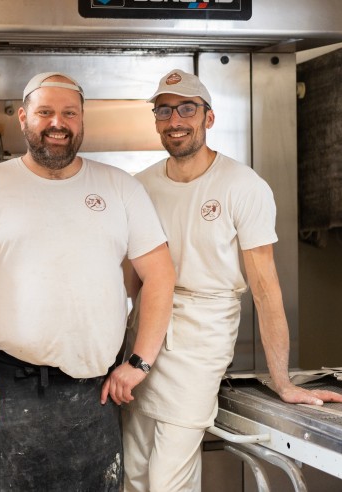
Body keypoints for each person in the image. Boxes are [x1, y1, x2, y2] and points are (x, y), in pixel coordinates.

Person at [0, 71, 175, 491]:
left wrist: (139, 363)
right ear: (23, 117)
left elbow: (159, 277)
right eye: (46, 111)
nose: (57, 122)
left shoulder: (120, 189)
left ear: (82, 120)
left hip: (95, 396)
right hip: (5, 390)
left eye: (69, 113)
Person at [122, 69, 342, 492]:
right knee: (133, 468)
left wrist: (282, 381)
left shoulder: (243, 186)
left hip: (201, 335)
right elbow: (129, 282)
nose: (175, 120)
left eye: (187, 108)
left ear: (209, 117)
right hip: (144, 331)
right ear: (155, 120)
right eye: (164, 110)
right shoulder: (140, 186)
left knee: (168, 478)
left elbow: (265, 288)